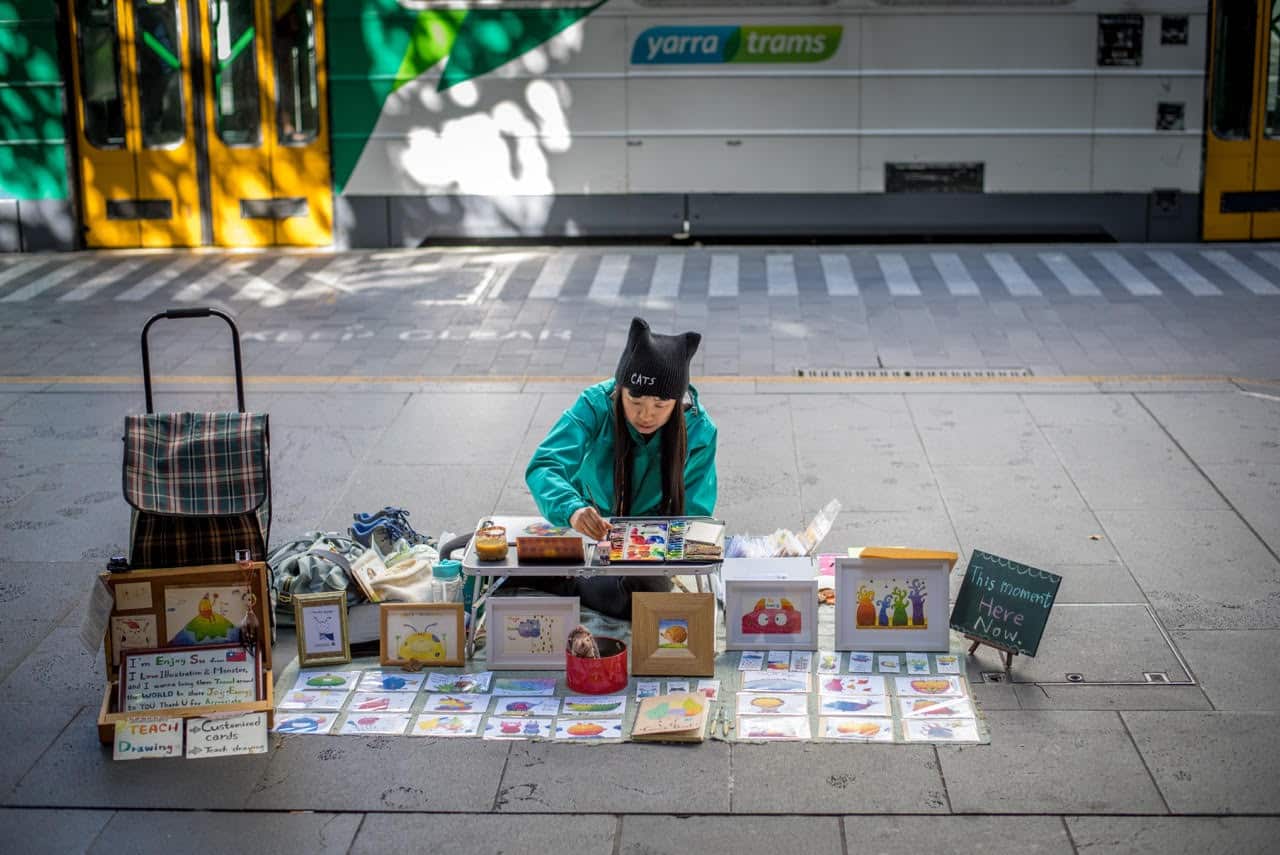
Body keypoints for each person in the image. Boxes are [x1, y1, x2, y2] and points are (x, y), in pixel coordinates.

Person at [521, 317, 717, 618]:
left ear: (677, 403)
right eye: (635, 401)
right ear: (620, 390)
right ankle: (576, 578)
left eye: (660, 406)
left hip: (654, 540)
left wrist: (654, 547)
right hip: (593, 524)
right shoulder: (595, 404)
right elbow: (545, 465)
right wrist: (572, 509)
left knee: (645, 594)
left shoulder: (699, 430)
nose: (646, 416)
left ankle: (567, 583)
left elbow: (695, 514)